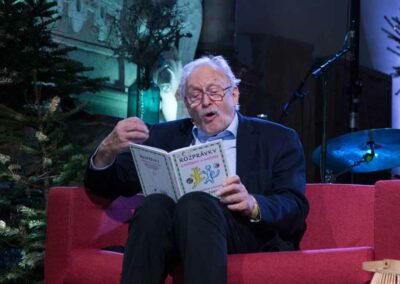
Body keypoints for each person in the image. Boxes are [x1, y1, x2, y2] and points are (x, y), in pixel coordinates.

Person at [84, 55, 309, 284]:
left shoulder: (277, 139)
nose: (205, 101)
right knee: (154, 205)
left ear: (234, 94)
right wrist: (107, 149)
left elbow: (295, 206)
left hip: (240, 233)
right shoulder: (163, 136)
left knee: (196, 203)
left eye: (214, 91)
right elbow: (105, 186)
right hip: (172, 234)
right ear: (186, 103)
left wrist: (253, 203)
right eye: (195, 95)